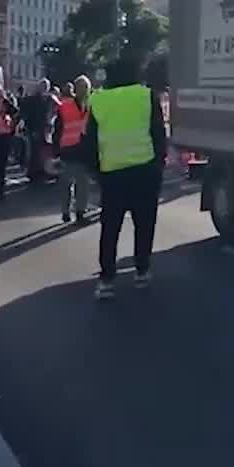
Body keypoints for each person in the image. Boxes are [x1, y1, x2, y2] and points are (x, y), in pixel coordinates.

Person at [85, 59, 168, 300]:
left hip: (112, 173)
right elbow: (158, 133)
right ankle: (142, 270)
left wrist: (96, 172)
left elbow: (91, 140)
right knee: (144, 224)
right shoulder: (146, 96)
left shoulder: (98, 99)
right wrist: (158, 165)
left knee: (110, 228)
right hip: (144, 170)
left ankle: (106, 279)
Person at [54, 77, 93, 224]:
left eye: (85, 87)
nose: (83, 90)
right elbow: (58, 128)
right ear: (75, 89)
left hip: (84, 150)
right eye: (81, 87)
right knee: (66, 183)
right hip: (68, 149)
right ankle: (65, 211)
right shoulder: (65, 106)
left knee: (83, 183)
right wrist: (56, 150)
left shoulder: (92, 105)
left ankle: (80, 212)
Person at [19, 79, 56, 184]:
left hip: (46, 128)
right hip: (35, 128)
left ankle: (43, 171)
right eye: (42, 86)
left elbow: (55, 110)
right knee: (34, 151)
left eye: (46, 86)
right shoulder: (32, 99)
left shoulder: (50, 99)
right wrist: (26, 125)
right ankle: (33, 173)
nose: (44, 88)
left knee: (45, 152)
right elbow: (26, 113)